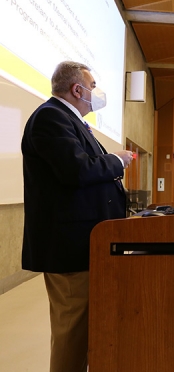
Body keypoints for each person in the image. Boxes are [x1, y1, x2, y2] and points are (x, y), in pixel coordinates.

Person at [21, 61, 134, 372]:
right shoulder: (51, 117)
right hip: (69, 247)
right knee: (72, 332)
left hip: (83, 243)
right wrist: (116, 161)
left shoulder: (68, 119)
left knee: (81, 332)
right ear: (77, 89)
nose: (96, 92)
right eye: (92, 86)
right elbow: (77, 170)